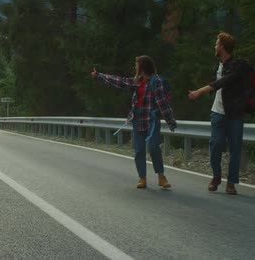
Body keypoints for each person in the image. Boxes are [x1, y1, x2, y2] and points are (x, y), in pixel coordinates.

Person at [91, 55, 177, 189]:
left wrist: (170, 120)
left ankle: (161, 176)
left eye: (136, 65)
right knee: (139, 150)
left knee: (154, 148)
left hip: (152, 121)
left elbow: (162, 103)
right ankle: (142, 178)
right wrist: (100, 76)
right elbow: (119, 81)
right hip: (138, 120)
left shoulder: (156, 81)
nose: (135, 67)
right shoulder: (137, 82)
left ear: (142, 67)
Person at [188, 31, 249, 195]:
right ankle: (216, 176)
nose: (214, 46)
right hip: (217, 112)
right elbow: (216, 83)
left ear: (222, 46)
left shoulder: (237, 65)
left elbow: (221, 83)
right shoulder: (217, 65)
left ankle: (231, 183)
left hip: (234, 114)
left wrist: (199, 91)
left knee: (235, 148)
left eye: (216, 44)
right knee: (215, 144)